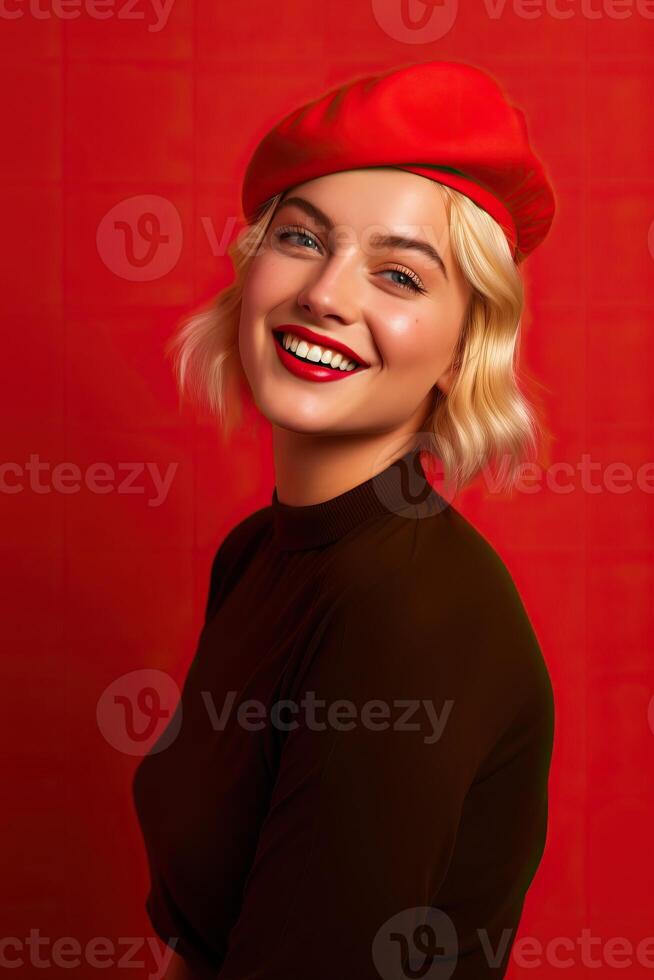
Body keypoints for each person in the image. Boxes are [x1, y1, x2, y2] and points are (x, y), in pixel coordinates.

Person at [132, 61, 557, 979]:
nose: (326, 294)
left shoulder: (417, 618)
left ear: (461, 348)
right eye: (300, 238)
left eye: (399, 275)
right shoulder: (256, 554)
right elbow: (200, 938)